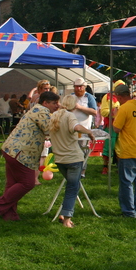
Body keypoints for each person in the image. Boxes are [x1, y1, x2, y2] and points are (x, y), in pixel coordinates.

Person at [0, 91, 60, 221]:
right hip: (20, 153)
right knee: (27, 183)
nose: (57, 106)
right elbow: (48, 129)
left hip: (10, 149)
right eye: (54, 103)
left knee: (12, 183)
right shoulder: (41, 111)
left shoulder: (36, 110)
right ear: (45, 103)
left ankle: (9, 214)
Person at [49, 95, 95, 228]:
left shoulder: (54, 116)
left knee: (72, 185)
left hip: (59, 159)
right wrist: (89, 132)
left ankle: (63, 213)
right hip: (73, 158)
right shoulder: (70, 116)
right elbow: (77, 127)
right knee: (72, 188)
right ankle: (67, 220)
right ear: (73, 105)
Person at [112, 84, 136, 218]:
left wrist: (115, 115)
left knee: (126, 182)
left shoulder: (124, 108)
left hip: (129, 150)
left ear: (120, 97)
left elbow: (116, 128)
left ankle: (128, 211)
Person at [71, 77, 98, 178]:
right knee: (73, 150)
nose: (78, 89)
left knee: (83, 149)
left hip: (84, 129)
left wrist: (80, 107)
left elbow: (94, 112)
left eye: (80, 87)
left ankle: (82, 171)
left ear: (84, 87)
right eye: (76, 87)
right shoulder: (71, 97)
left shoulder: (89, 97)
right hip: (71, 128)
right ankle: (73, 169)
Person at [99, 80, 125, 175]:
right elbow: (103, 112)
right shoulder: (108, 97)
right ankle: (105, 167)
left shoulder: (124, 98)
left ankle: (120, 166)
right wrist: (114, 111)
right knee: (109, 146)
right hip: (111, 125)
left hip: (122, 125)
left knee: (121, 146)